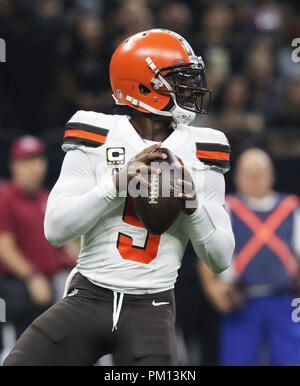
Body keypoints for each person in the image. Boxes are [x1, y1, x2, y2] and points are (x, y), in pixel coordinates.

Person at [4, 29, 235, 366]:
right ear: (144, 85)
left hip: (152, 309)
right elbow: (55, 229)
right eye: (179, 79)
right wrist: (115, 184)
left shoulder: (203, 150)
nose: (191, 88)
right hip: (88, 296)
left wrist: (194, 207)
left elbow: (221, 258)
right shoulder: (96, 134)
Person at [199, 148, 300, 366]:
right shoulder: (224, 209)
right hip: (240, 300)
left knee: (291, 358)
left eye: (260, 173)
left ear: (271, 176)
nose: (254, 179)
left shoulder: (291, 208)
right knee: (238, 360)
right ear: (237, 178)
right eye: (248, 173)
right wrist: (214, 290)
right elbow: (207, 254)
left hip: (285, 299)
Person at [0, 135, 75, 342]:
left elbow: (66, 243)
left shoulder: (46, 197)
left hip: (49, 280)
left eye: (38, 160)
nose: (35, 167)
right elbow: (4, 247)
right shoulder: (5, 196)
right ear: (14, 165)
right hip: (16, 284)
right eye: (27, 161)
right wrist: (32, 277)